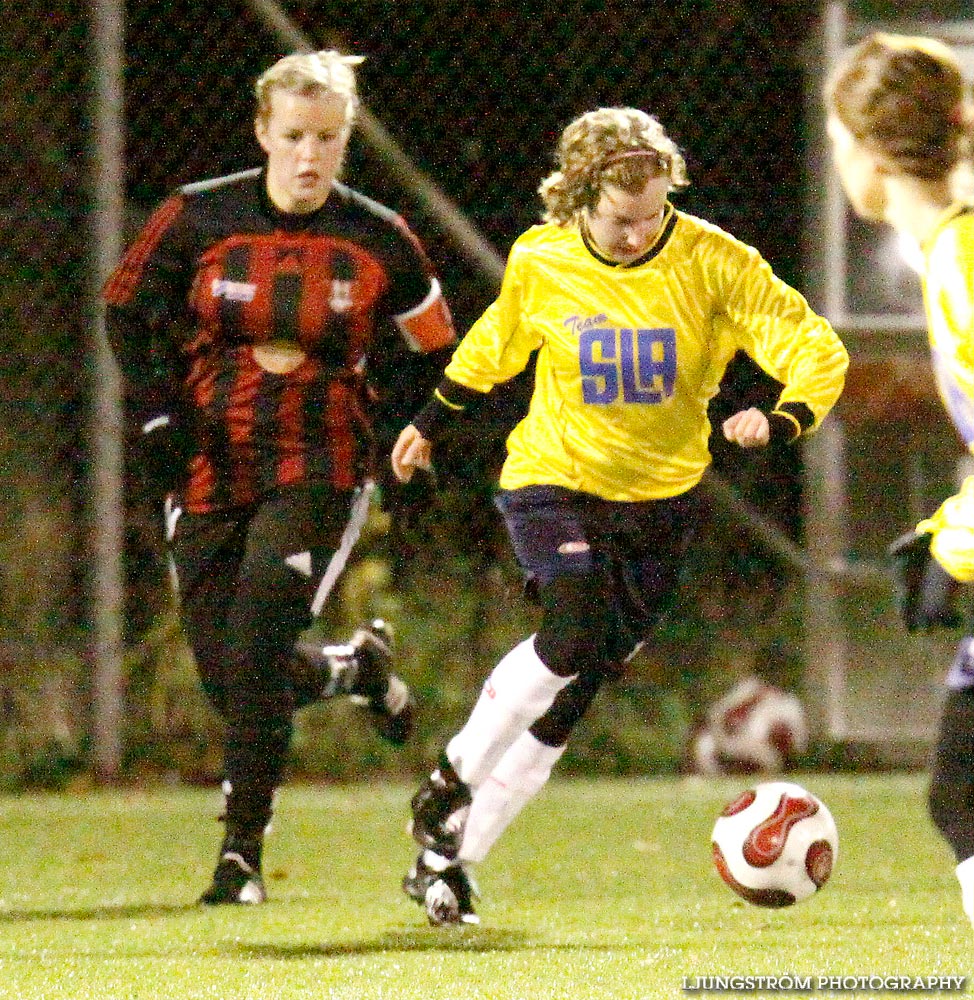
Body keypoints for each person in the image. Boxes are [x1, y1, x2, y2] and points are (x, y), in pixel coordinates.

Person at [391, 106, 849, 926]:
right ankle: (452, 777)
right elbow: (498, 342)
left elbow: (812, 346)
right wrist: (429, 421)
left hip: (661, 504)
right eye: (619, 220)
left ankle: (449, 862)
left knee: (573, 692)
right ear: (577, 202)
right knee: (568, 632)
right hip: (554, 481)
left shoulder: (712, 261)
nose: (639, 234)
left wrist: (781, 416)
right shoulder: (544, 258)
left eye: (653, 215)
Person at [103, 50, 457, 905]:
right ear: (263, 131)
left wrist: (420, 425)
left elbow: (442, 346)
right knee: (233, 678)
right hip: (208, 462)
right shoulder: (195, 217)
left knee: (259, 640)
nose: (309, 156)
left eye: (328, 138)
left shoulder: (378, 236)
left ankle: (239, 859)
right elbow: (123, 310)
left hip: (322, 463)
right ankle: (353, 672)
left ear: (346, 141)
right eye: (294, 136)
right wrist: (156, 413)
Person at [826, 31, 974, 932]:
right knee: (961, 793)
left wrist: (955, 546)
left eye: (839, 137)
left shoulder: (962, 263)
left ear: (875, 152)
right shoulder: (949, 256)